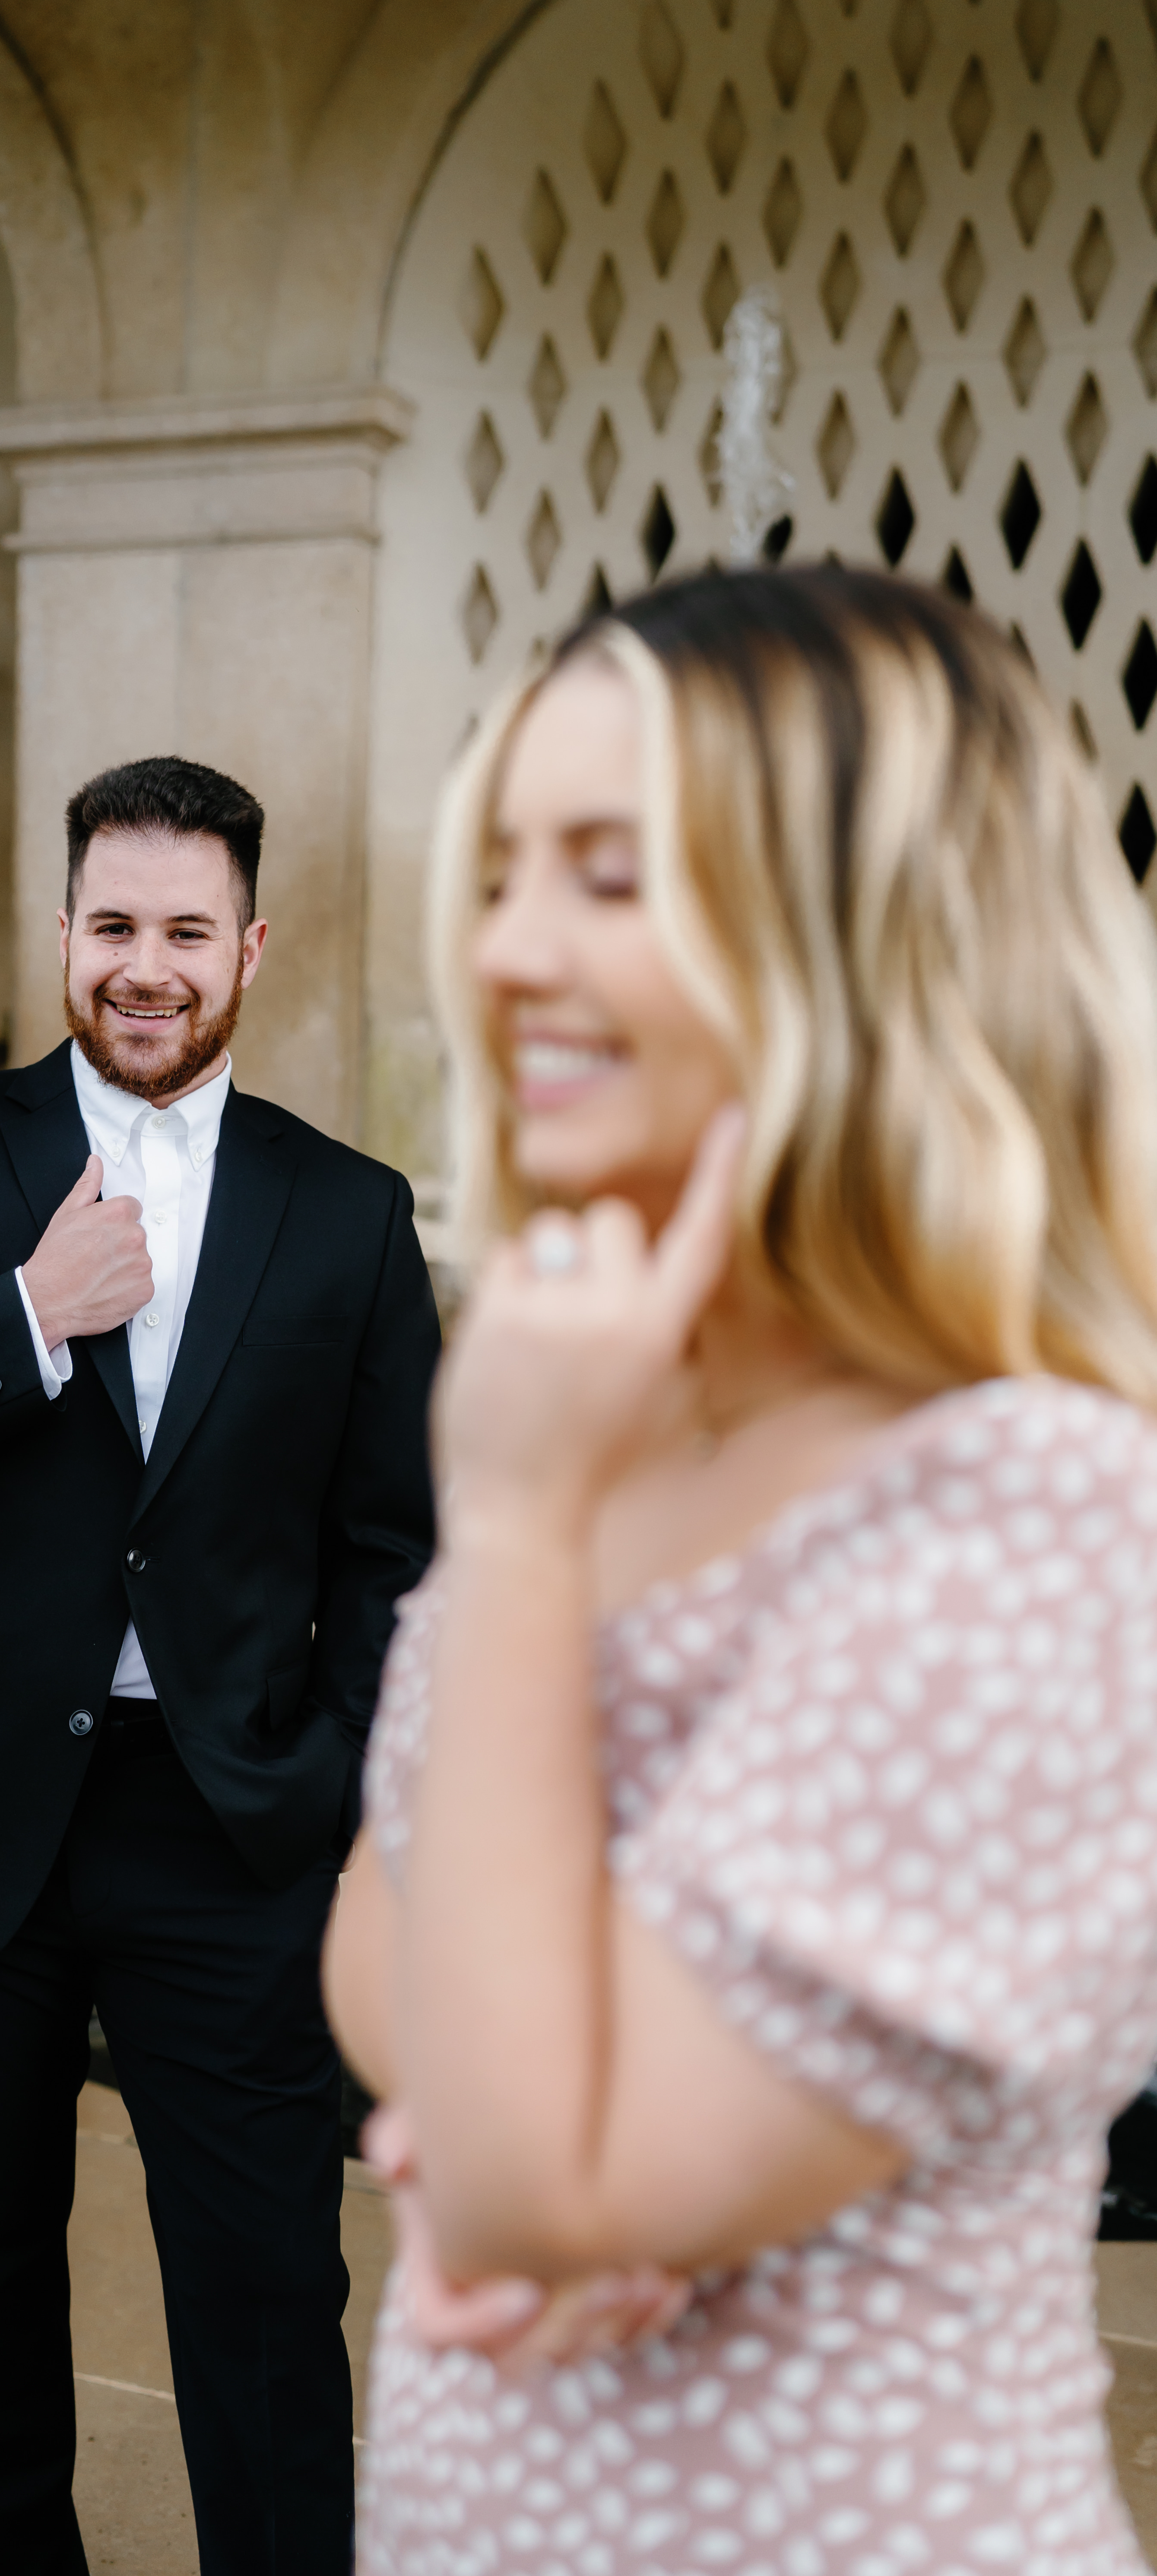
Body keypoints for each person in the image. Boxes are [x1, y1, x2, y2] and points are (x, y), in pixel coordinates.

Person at [324, 567, 1157, 2572]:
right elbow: (368, 1930)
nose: (511, 946)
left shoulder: (1030, 1515)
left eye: (613, 878)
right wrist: (519, 2094)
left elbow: (545, 2177)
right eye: (508, 869)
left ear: (869, 943)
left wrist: (513, 1531)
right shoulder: (611, 1404)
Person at [0, 755, 441, 2576]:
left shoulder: (349, 1213)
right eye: (113, 924)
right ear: (62, 933)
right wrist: (23, 1322)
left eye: (186, 931)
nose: (147, 965)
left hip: (225, 1822)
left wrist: (341, 1792)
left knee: (272, 2298)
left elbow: (395, 1551)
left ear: (251, 947)